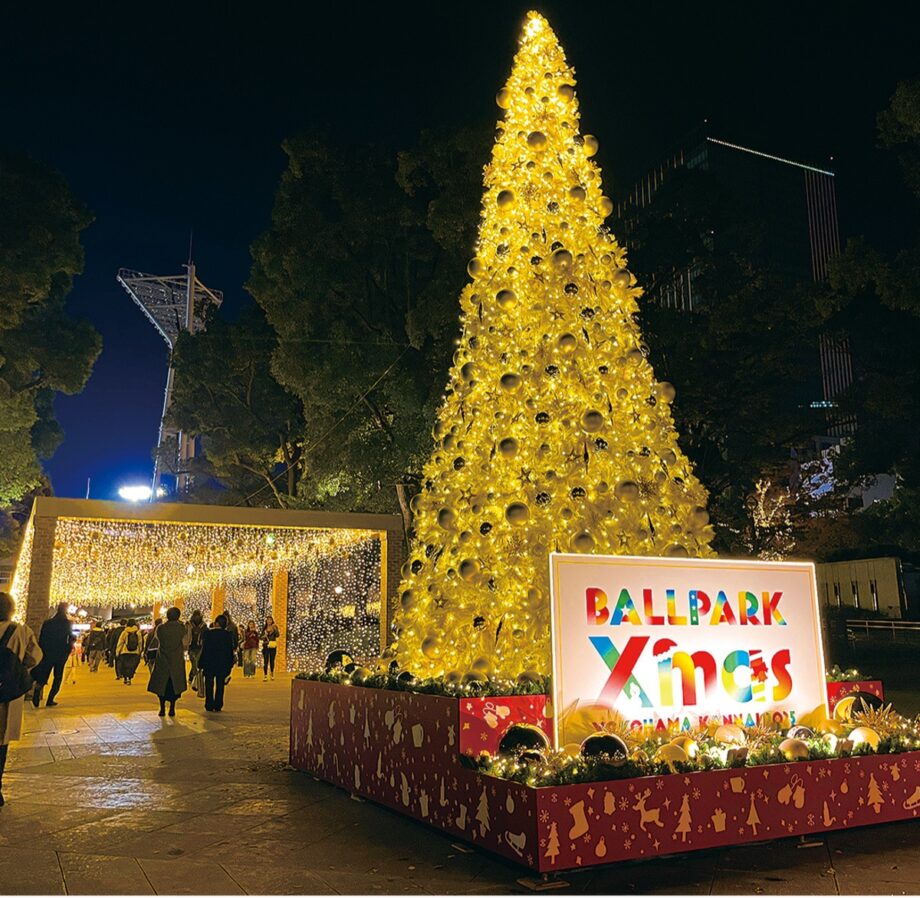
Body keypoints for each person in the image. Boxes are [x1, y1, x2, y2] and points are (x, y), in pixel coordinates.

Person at [0, 592, 42, 806]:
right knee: (1, 741)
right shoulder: (21, 631)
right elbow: (35, 657)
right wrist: (19, 667)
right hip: (7, 693)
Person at [30, 602, 75, 708]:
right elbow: (71, 638)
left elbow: (41, 638)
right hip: (61, 653)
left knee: (43, 674)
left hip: (47, 653)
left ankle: (37, 690)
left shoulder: (48, 623)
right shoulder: (67, 623)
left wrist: (42, 651)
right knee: (58, 676)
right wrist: (68, 649)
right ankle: (50, 699)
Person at [147, 607, 188, 717]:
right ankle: (172, 708)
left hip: (163, 659)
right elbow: (186, 642)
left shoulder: (161, 628)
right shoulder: (181, 628)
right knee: (174, 687)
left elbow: (157, 639)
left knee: (162, 686)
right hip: (176, 660)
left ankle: (161, 708)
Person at [198, 614, 234, 712]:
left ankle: (209, 704)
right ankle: (218, 704)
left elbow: (205, 649)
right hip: (222, 663)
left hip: (210, 663)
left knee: (209, 684)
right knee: (220, 684)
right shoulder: (227, 635)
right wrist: (230, 664)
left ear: (216, 623)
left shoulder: (209, 634)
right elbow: (229, 651)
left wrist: (201, 663)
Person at [115, 619, 142, 685]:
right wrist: (140, 650)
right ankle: (129, 678)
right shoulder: (138, 632)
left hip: (125, 651)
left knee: (124, 666)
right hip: (135, 652)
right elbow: (140, 642)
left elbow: (120, 642)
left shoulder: (125, 632)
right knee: (132, 666)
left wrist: (117, 651)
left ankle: (125, 678)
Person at [186, 609, 206, 681]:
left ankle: (193, 677)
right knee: (195, 663)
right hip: (195, 646)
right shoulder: (189, 624)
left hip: (196, 646)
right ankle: (194, 676)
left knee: (195, 663)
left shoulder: (202, 625)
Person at [261, 615, 281, 681]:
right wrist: (264, 635)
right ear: (266, 621)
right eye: (268, 620)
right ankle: (265, 675)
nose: (269, 621)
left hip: (272, 646)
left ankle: (272, 674)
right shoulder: (264, 628)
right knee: (265, 661)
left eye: (270, 620)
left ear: (272, 621)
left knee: (272, 661)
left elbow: (277, 635)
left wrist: (275, 629)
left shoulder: (274, 627)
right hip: (266, 646)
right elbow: (260, 637)